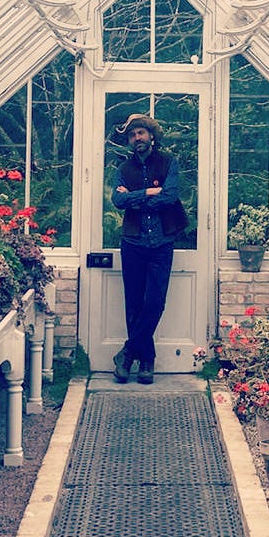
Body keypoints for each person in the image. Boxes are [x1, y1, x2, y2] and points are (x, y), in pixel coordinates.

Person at [110, 113, 186, 383]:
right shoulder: (123, 168)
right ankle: (146, 362)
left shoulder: (168, 163)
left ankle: (128, 353)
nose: (136, 138)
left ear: (151, 136)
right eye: (132, 135)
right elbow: (117, 201)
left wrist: (135, 198)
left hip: (162, 243)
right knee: (133, 303)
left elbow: (170, 196)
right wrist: (146, 194)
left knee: (155, 302)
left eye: (141, 133)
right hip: (132, 243)